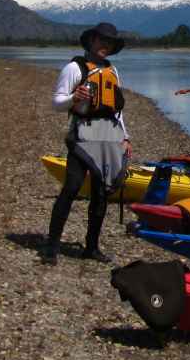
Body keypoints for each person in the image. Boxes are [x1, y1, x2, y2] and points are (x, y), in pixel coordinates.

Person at [42, 22, 132, 266]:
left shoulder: (112, 70)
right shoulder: (74, 68)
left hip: (109, 136)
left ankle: (91, 247)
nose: (105, 44)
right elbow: (56, 102)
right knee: (71, 188)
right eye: (101, 40)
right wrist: (73, 98)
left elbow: (118, 110)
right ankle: (51, 247)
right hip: (82, 134)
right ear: (91, 41)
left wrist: (125, 137)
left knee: (101, 195)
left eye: (109, 42)